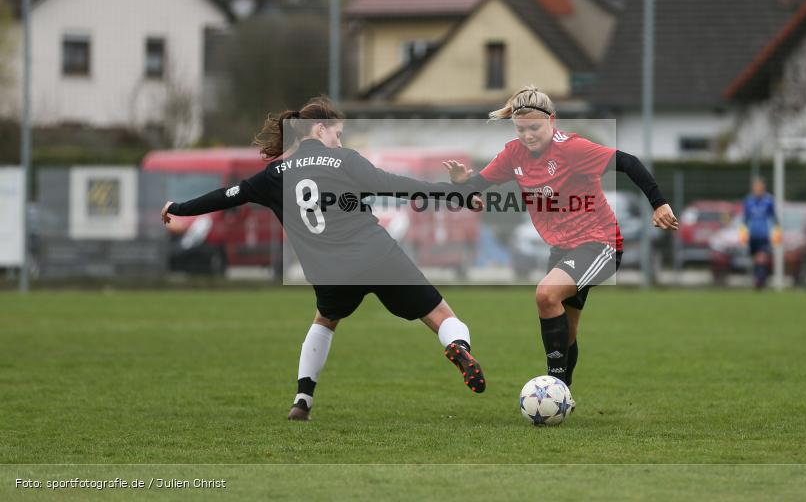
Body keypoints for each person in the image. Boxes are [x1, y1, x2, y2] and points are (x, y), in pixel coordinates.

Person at [160, 98, 485, 421]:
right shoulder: (344, 160)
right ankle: (459, 347)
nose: (340, 141)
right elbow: (399, 186)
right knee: (439, 314)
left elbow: (226, 196)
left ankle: (302, 400)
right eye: (338, 133)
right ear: (320, 129)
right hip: (377, 254)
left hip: (330, 271)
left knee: (325, 322)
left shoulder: (272, 175)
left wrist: (179, 207)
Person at [443, 86, 678, 389]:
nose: (528, 135)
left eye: (535, 128)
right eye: (521, 129)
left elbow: (629, 162)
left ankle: (553, 389)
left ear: (552, 120)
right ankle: (562, 393)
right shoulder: (513, 153)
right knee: (566, 331)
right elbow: (478, 187)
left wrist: (659, 203)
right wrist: (463, 186)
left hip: (600, 243)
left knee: (546, 294)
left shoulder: (572, 149)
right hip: (563, 249)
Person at [740, 177, 780, 290]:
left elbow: (773, 216)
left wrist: (777, 230)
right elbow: (745, 218)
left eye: (759, 187)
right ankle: (759, 278)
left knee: (761, 257)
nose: (757, 189)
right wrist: (743, 232)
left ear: (763, 187)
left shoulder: (768, 200)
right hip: (752, 234)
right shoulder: (748, 200)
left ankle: (760, 280)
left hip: (764, 234)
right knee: (755, 258)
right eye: (755, 187)